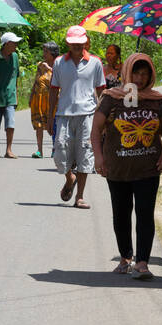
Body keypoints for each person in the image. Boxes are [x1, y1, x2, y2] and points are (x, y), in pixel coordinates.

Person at [91, 52, 162, 277]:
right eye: (136, 72)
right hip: (117, 168)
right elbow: (96, 129)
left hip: (148, 168)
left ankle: (142, 263)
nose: (140, 78)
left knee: (145, 214)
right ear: (127, 72)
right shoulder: (111, 97)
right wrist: (98, 157)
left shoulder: (157, 100)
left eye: (145, 73)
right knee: (121, 213)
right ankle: (125, 257)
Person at [50, 26, 106, 209]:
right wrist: (50, 117)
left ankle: (79, 197)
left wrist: (102, 117)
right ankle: (69, 177)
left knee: (85, 155)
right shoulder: (59, 63)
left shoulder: (95, 63)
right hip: (63, 114)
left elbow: (101, 91)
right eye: (72, 42)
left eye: (79, 42)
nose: (76, 45)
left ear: (85, 41)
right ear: (67, 42)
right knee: (60, 153)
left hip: (87, 115)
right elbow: (53, 90)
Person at [0, 32, 22, 158]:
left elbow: (16, 76)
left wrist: (16, 95)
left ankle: (9, 149)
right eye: (14, 43)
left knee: (10, 124)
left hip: (10, 96)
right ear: (7, 44)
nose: (16, 46)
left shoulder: (15, 56)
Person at [29, 42, 58, 158]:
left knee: (54, 124)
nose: (44, 54)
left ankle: (55, 148)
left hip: (53, 99)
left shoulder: (59, 64)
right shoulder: (40, 65)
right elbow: (36, 80)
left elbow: (60, 78)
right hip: (39, 97)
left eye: (46, 51)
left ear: (53, 53)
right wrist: (31, 95)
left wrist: (49, 68)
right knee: (39, 124)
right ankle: (39, 150)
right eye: (44, 51)